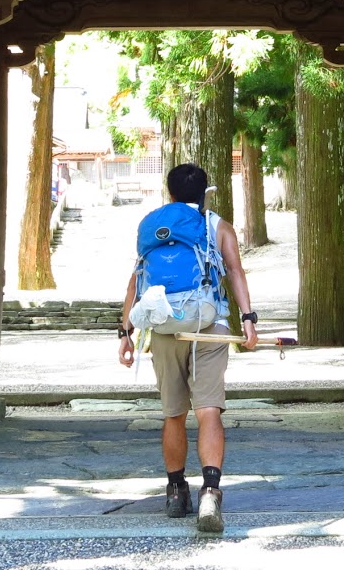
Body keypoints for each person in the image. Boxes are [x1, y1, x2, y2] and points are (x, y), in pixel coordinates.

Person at [118, 162, 258, 534]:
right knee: (208, 411)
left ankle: (176, 490)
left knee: (174, 414)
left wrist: (126, 332)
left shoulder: (154, 226)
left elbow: (137, 280)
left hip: (164, 328)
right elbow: (235, 271)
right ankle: (210, 491)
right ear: (205, 192)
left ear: (171, 192)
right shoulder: (217, 225)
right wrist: (248, 319)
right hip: (209, 325)